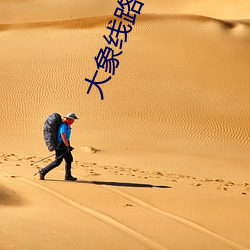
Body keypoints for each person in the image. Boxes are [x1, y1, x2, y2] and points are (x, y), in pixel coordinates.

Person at [39, 112, 78, 181]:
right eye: (73, 119)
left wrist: (68, 145)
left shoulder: (67, 125)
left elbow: (66, 137)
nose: (74, 121)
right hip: (61, 145)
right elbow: (63, 135)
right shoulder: (64, 126)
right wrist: (67, 146)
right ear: (70, 119)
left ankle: (68, 175)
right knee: (57, 162)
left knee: (69, 159)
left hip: (64, 145)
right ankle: (43, 172)